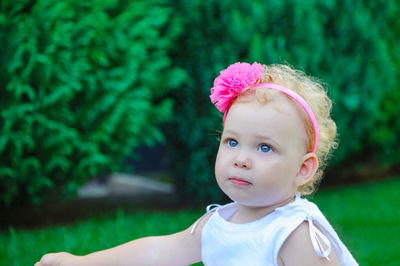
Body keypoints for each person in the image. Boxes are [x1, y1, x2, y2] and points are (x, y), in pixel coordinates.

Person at [35, 62, 358, 266]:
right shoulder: (219, 222)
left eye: (264, 147)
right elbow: (158, 253)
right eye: (232, 142)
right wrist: (83, 262)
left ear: (303, 169)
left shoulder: (295, 233)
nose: (241, 159)